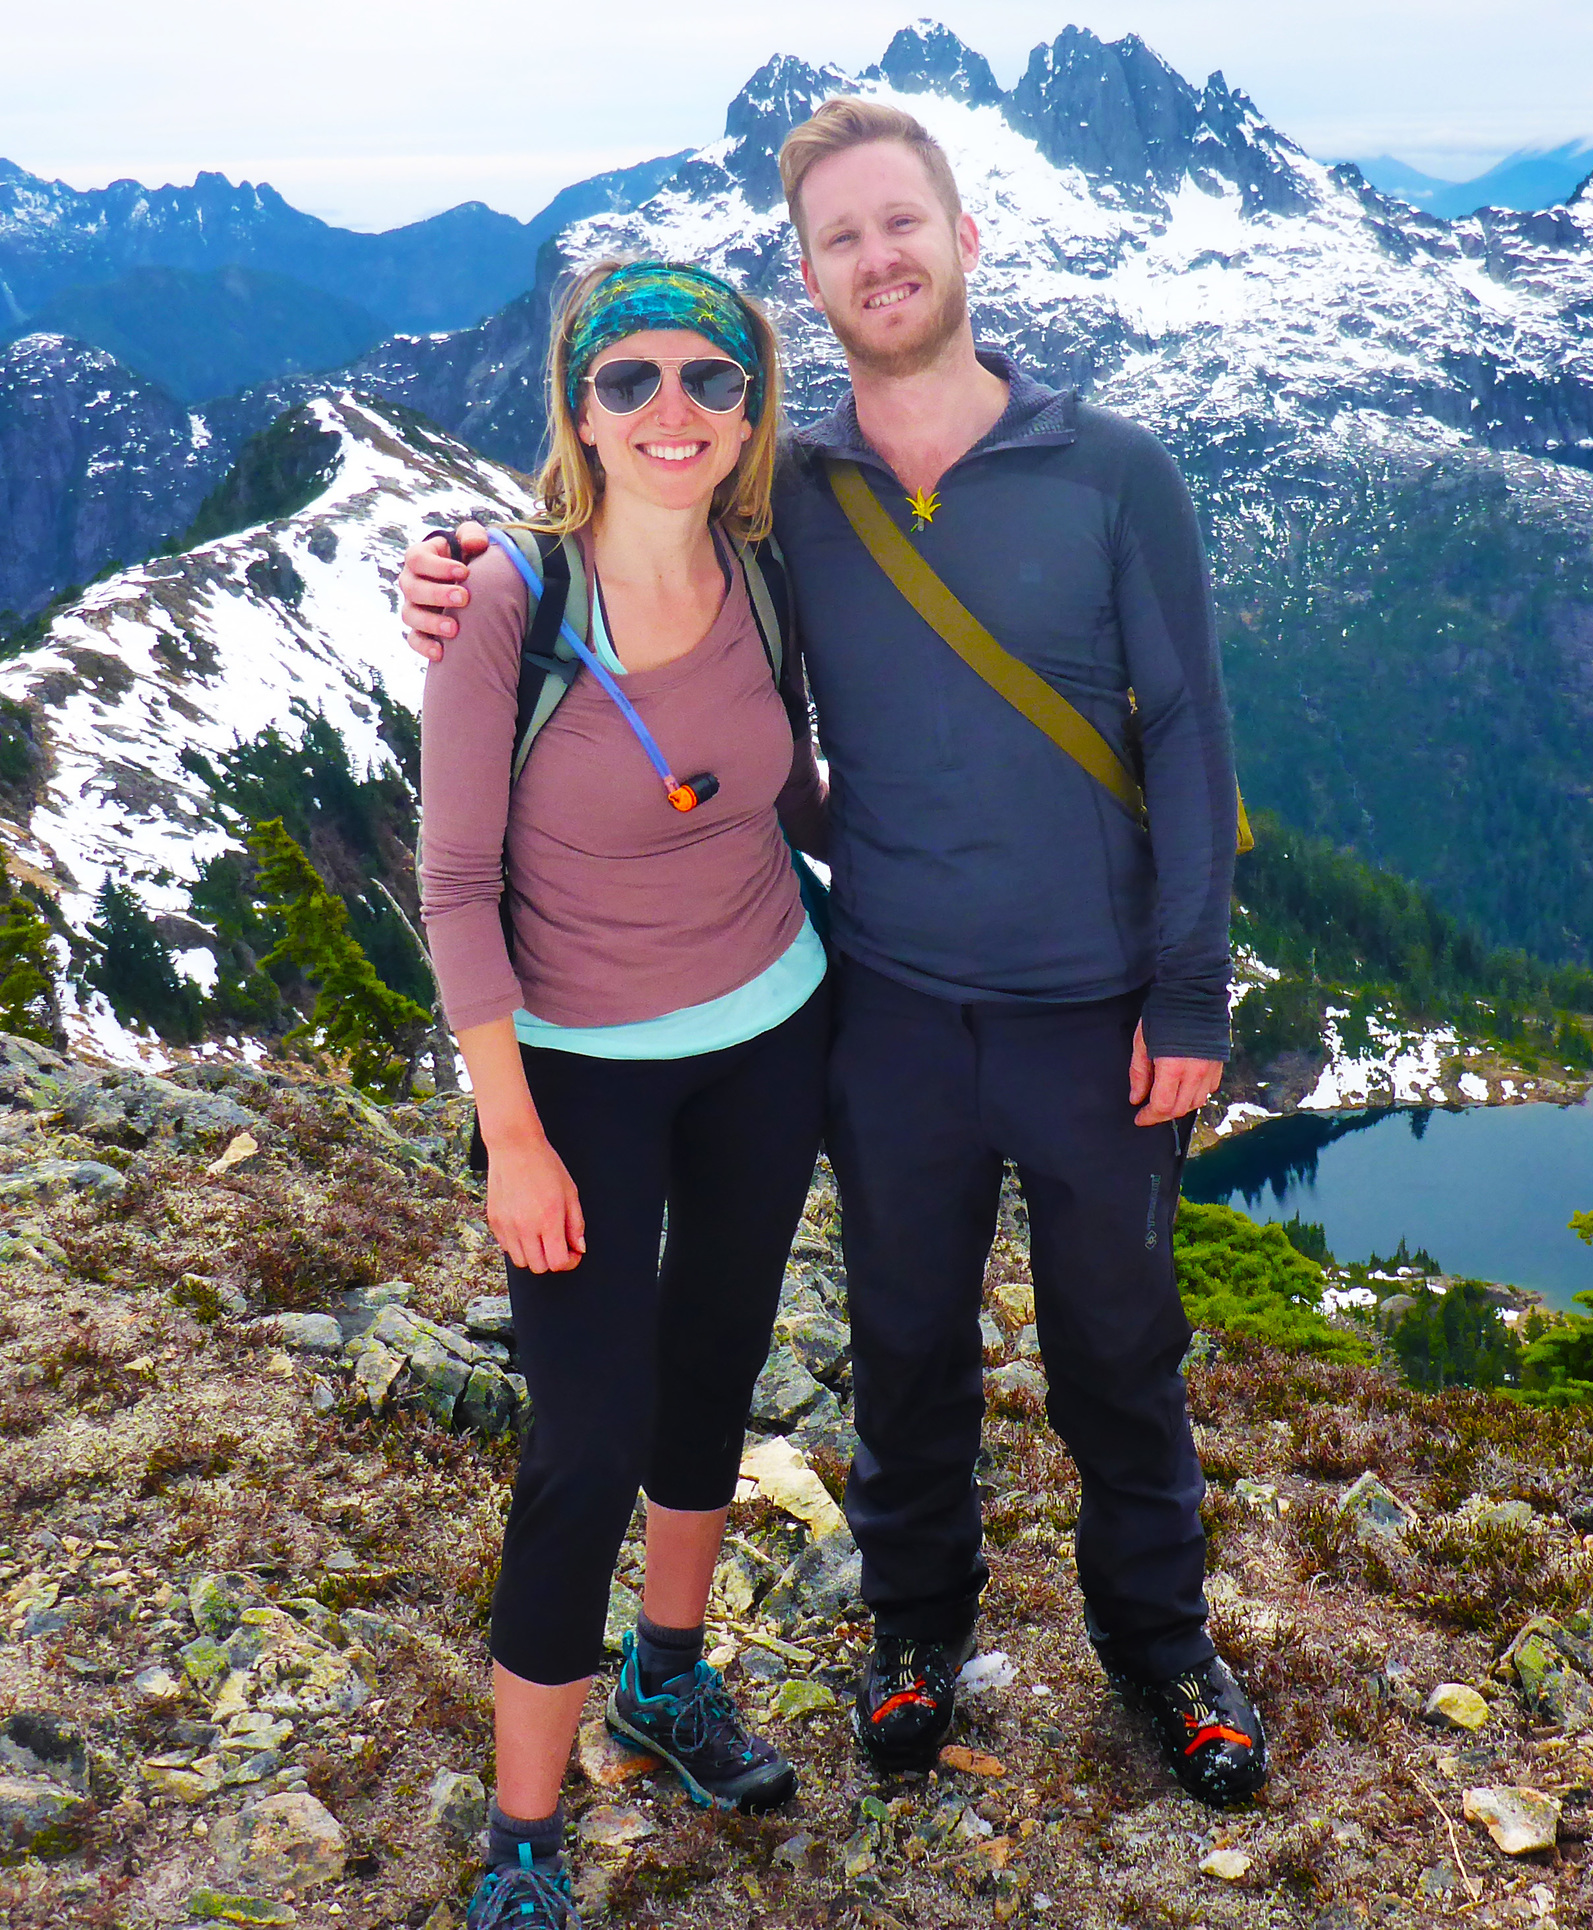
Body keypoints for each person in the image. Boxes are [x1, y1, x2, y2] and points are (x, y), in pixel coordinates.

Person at [400, 97, 1269, 1807]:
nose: (881, 257)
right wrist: (449, 576)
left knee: (1120, 1338)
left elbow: (1187, 731)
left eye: (904, 223)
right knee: (905, 1338)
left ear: (962, 242)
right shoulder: (789, 489)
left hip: (1097, 1010)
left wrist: (1189, 985)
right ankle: (915, 1630)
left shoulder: (1112, 473)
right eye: (844, 239)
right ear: (812, 278)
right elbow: (623, 524)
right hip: (883, 1002)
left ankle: (1161, 1642)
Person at [419, 257, 832, 1930]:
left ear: (753, 408)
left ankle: (666, 1679)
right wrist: (511, 1136)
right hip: (578, 1079)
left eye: (711, 379)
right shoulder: (504, 603)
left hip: (769, 1035)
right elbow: (454, 889)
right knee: (582, 1441)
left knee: (717, 1368)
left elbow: (793, 794)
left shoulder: (768, 578)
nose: (675, 411)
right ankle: (525, 1828)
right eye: (631, 379)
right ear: (578, 410)